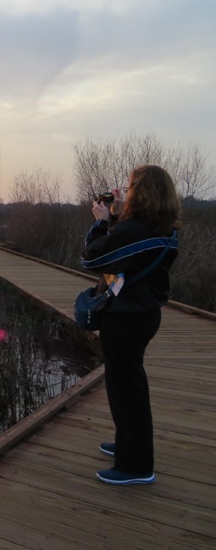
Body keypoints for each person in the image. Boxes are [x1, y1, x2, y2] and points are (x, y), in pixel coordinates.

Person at [81, 165, 181, 485]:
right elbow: (127, 257)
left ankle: (136, 466)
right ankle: (127, 444)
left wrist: (100, 223)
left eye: (131, 187)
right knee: (124, 385)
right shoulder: (165, 228)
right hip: (145, 312)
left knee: (128, 390)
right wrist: (116, 218)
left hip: (125, 318)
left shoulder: (134, 230)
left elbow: (91, 258)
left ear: (141, 192)